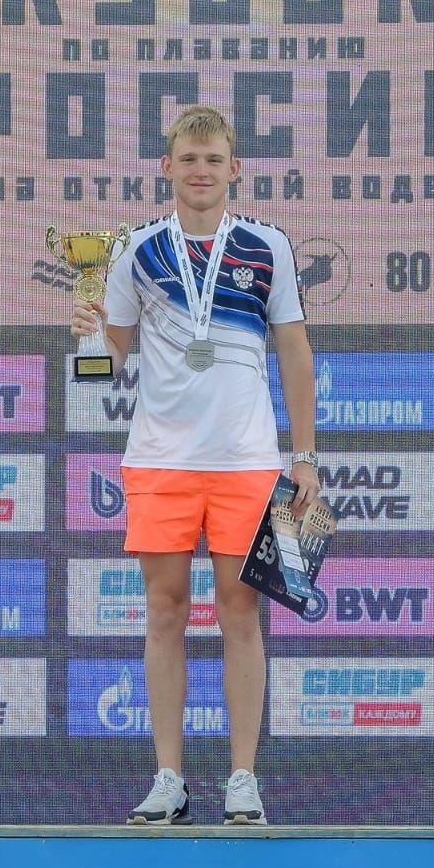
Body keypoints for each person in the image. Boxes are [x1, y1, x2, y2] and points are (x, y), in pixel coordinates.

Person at [70, 105, 319, 827]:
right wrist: (86, 338)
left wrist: (304, 456)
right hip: (161, 461)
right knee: (164, 612)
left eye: (213, 160)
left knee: (240, 613)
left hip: (246, 462)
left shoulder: (268, 246)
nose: (201, 171)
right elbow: (109, 363)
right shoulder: (137, 249)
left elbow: (294, 350)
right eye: (188, 159)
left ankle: (242, 779)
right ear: (167, 168)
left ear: (234, 168)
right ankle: (169, 779)